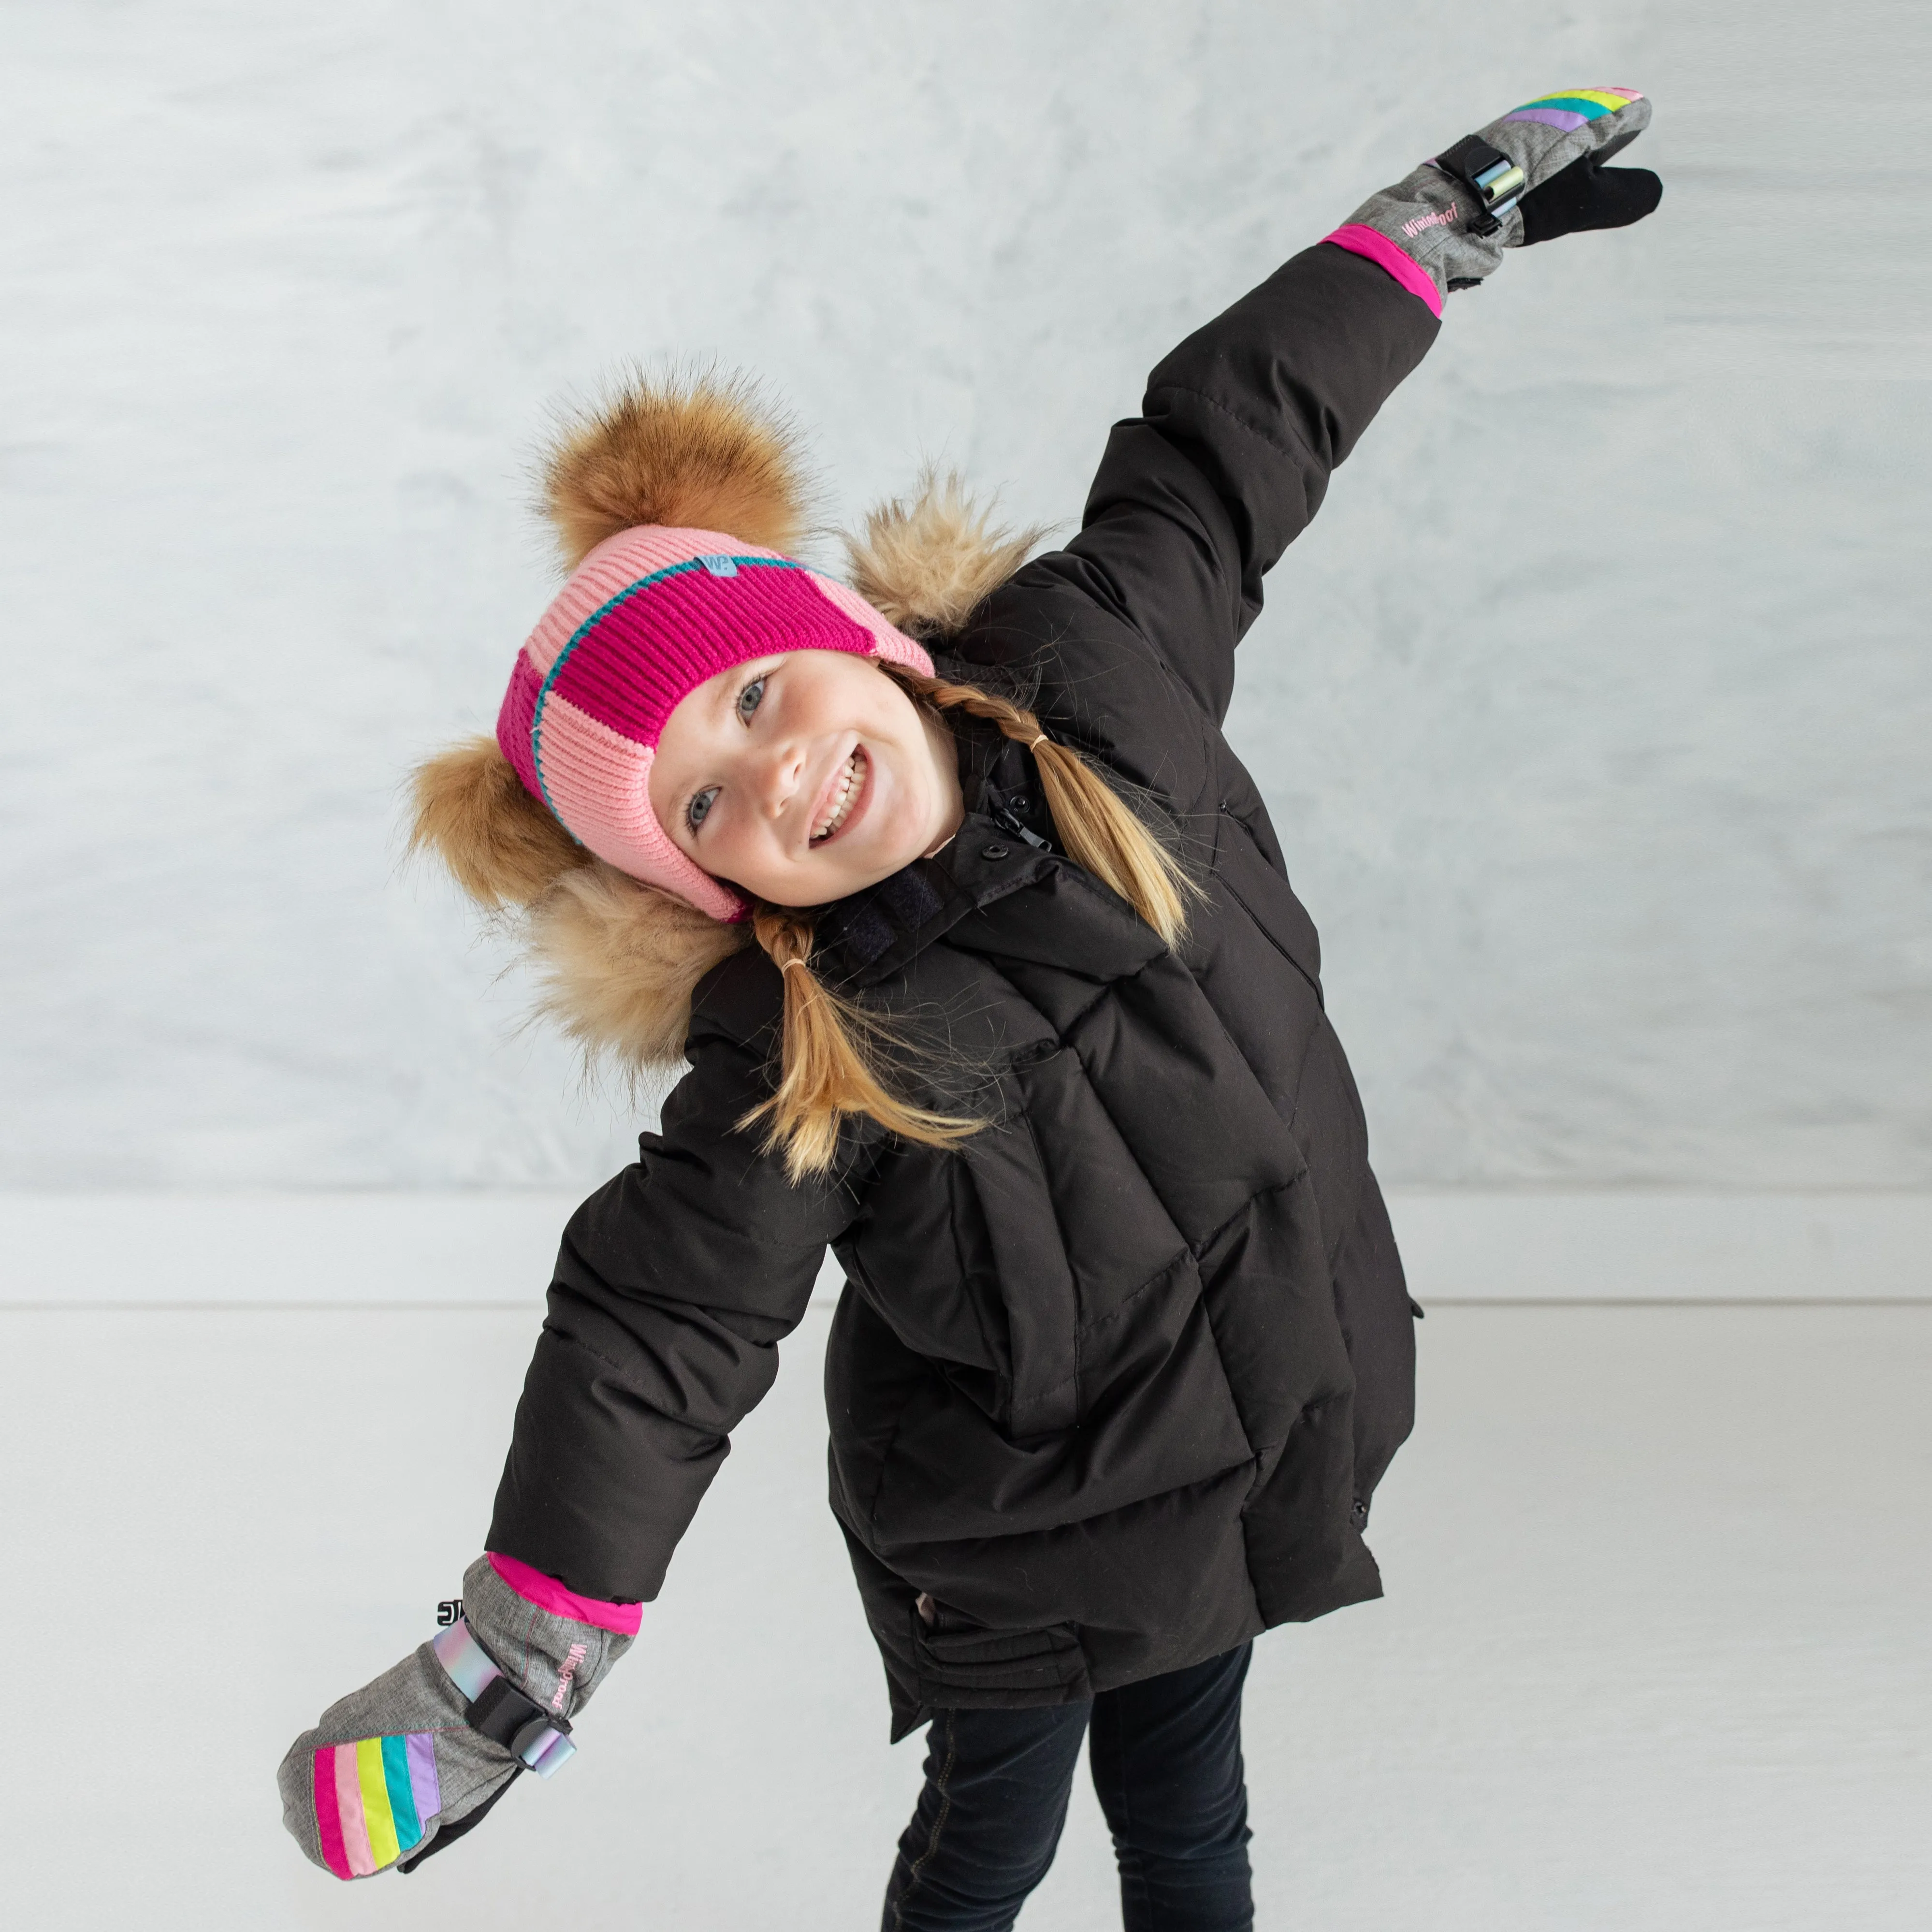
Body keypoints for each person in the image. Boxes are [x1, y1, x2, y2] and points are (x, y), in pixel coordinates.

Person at [278, 87, 1660, 1931]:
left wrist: (1409, 243)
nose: (771, 776)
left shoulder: (1100, 671)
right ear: (705, 880)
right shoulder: (798, 1051)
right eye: (700, 799)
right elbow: (653, 1334)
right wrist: (511, 1666)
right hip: (1000, 1548)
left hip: (1222, 1450)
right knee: (989, 1842)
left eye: (759, 696)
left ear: (854, 641)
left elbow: (1228, 442)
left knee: (1191, 1826)